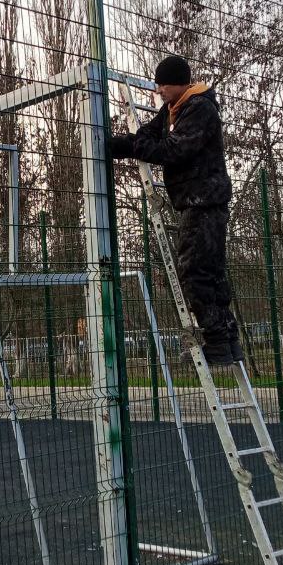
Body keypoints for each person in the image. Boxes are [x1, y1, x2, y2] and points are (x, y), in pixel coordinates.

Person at [108, 54, 243, 365]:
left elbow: (173, 149)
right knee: (210, 271)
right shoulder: (175, 108)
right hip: (199, 200)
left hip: (204, 200)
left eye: (162, 85)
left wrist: (140, 143)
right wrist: (120, 146)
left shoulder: (200, 109)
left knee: (195, 272)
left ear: (176, 83)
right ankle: (227, 337)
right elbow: (150, 137)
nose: (158, 91)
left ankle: (218, 340)